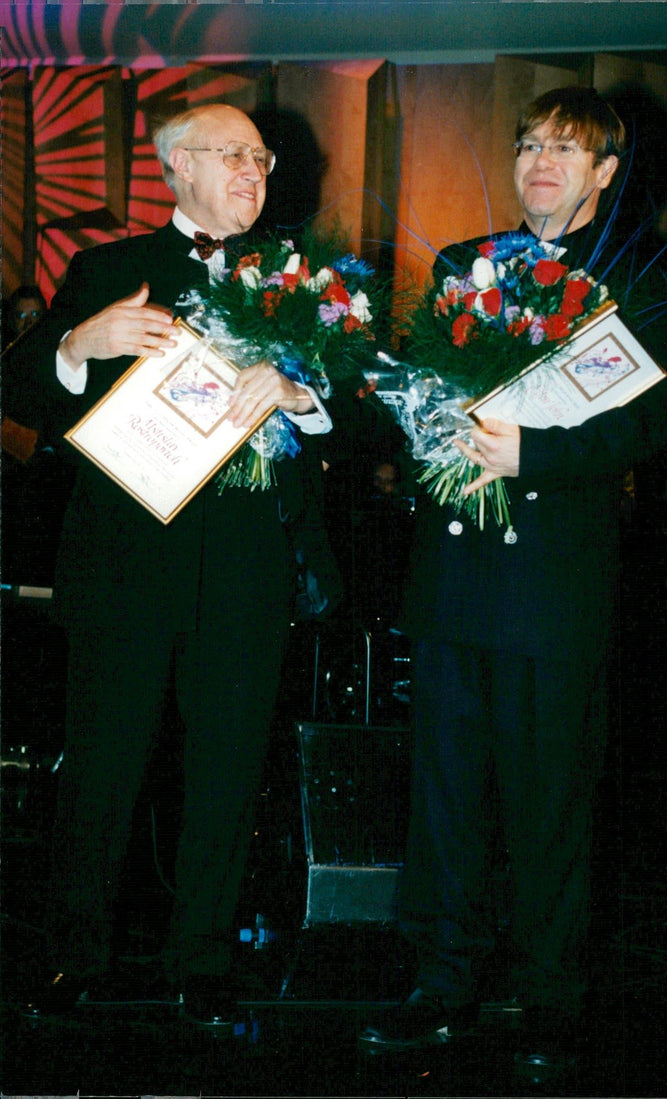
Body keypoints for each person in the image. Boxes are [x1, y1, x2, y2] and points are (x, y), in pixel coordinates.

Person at [358, 86, 667, 1082]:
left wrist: (527, 455)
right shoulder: (464, 264)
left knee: (550, 804)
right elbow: (425, 386)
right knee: (444, 798)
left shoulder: (640, 280)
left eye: (566, 149)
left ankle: (548, 994)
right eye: (530, 143)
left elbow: (645, 425)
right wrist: (417, 416)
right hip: (454, 576)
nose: (541, 161)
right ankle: (440, 983)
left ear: (604, 173)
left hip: (554, 586)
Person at [7, 103, 337, 1028]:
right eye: (233, 155)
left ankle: (204, 960)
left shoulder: (298, 279)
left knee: (229, 771)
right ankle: (74, 956)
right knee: (102, 768)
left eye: (262, 158)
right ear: (179, 166)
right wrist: (79, 344)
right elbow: (20, 386)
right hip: (125, 566)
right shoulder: (105, 269)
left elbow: (346, 416)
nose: (253, 171)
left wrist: (299, 393)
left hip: (244, 566)